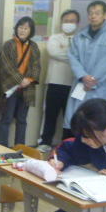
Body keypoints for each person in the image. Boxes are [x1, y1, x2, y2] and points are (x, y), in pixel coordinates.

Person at [64, 1, 106, 133]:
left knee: (97, 124)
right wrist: (83, 76)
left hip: (100, 87)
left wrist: (92, 80)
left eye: (97, 13)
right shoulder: (80, 35)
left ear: (105, 15)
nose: (93, 16)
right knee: (77, 121)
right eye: (90, 13)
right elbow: (73, 57)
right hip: (81, 84)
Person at [0, 16, 41, 147]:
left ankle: (20, 148)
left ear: (31, 31)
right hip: (10, 87)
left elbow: (36, 66)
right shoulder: (8, 44)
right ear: (16, 28)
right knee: (6, 118)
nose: (22, 30)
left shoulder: (34, 46)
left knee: (22, 120)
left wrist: (28, 80)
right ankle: (2, 147)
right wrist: (20, 79)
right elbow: (6, 65)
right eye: (20, 27)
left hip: (27, 88)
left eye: (26, 28)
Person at [37, 9, 81, 151]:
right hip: (54, 82)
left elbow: (83, 56)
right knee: (50, 114)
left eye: (72, 21)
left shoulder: (81, 39)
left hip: (74, 84)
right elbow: (54, 52)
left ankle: (67, 144)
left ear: (77, 23)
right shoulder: (54, 38)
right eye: (66, 21)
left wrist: (67, 51)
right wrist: (74, 55)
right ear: (62, 22)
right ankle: (45, 142)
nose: (69, 23)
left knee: (71, 117)